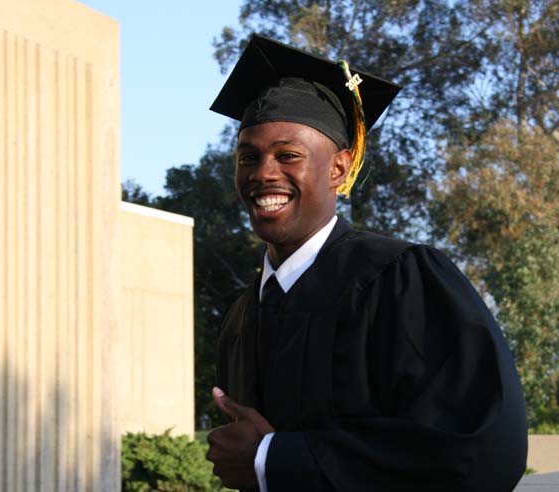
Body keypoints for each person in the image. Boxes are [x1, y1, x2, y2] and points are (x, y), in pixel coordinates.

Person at [205, 34, 528, 492]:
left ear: (339, 168)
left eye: (288, 155)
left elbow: (481, 448)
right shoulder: (242, 316)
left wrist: (272, 459)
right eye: (248, 157)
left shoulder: (398, 279)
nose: (263, 173)